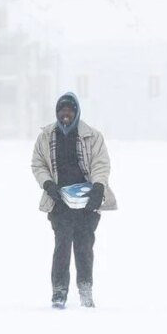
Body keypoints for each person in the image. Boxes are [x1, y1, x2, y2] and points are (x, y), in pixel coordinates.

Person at [31, 92, 117, 309]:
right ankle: (59, 292)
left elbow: (101, 164)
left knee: (84, 247)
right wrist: (48, 184)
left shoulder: (93, 136)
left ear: (76, 111)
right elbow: (38, 164)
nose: (65, 114)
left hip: (87, 202)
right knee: (61, 246)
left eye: (69, 109)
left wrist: (98, 187)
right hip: (59, 202)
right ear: (57, 112)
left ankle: (86, 290)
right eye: (62, 109)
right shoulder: (46, 137)